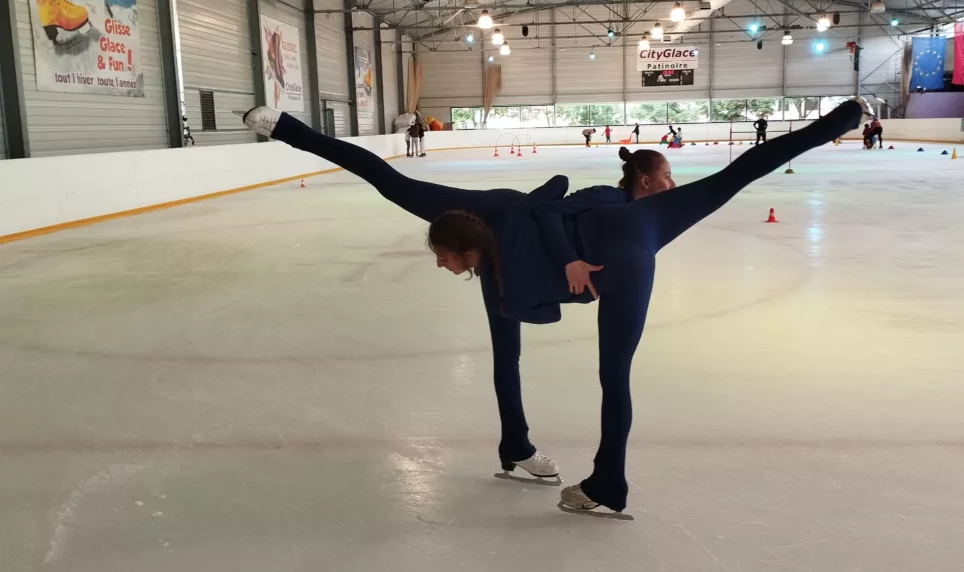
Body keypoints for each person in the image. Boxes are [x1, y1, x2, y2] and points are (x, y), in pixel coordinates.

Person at [238, 99, 863, 514]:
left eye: (444, 260)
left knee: (559, 361)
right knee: (559, 361)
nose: (671, 183)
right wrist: (841, 120)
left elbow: (399, 178)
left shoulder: (626, 212)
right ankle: (534, 452)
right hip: (551, 234)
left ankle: (586, 473)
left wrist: (568, 259)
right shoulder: (607, 206)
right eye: (665, 177)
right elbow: (747, 165)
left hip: (572, 252)